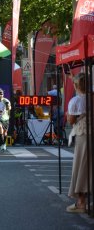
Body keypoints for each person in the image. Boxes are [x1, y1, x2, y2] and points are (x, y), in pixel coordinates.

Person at [66, 73, 92, 213]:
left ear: (76, 86)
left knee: (81, 167)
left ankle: (81, 202)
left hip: (83, 134)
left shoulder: (76, 101)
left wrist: (67, 115)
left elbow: (71, 120)